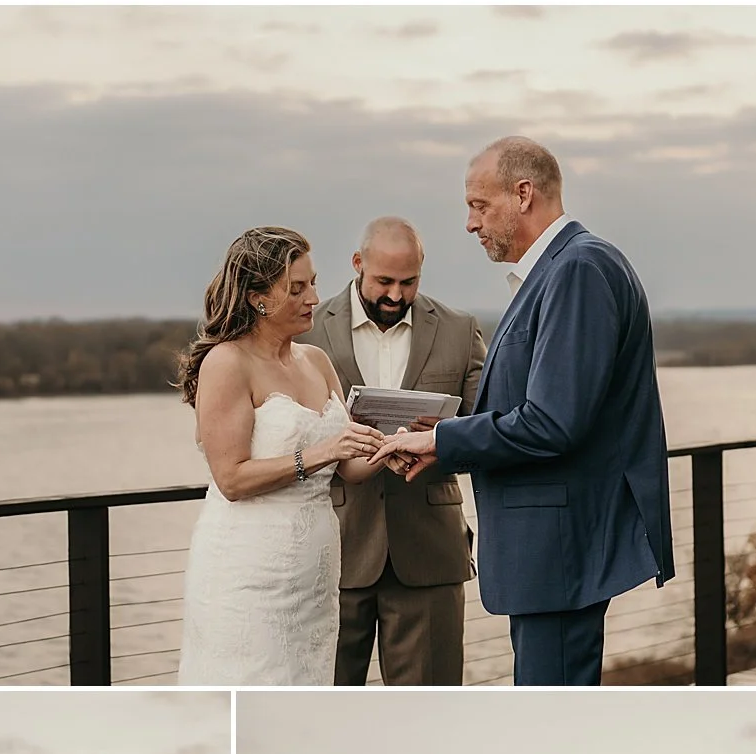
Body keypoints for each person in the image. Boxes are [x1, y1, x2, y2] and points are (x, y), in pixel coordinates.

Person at [374, 137, 674, 685]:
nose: (470, 223)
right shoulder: (561, 269)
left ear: (523, 194)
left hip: (557, 552)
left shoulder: (578, 269)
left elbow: (554, 422)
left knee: (549, 714)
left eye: (479, 205)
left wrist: (443, 440)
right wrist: (446, 443)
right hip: (551, 550)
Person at [176, 228, 388, 685]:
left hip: (314, 576)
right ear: (258, 299)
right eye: (296, 288)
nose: (314, 297)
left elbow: (349, 467)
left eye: (313, 282)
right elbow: (231, 480)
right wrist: (321, 452)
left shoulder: (316, 361)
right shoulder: (227, 363)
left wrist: (392, 446)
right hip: (247, 571)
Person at [296, 217, 484, 685]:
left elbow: (488, 428)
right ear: (357, 263)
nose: (396, 296)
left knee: (427, 710)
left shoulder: (460, 330)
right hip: (333, 549)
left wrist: (445, 438)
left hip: (429, 551)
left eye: (409, 282)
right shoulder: (306, 331)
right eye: (384, 281)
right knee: (321, 706)